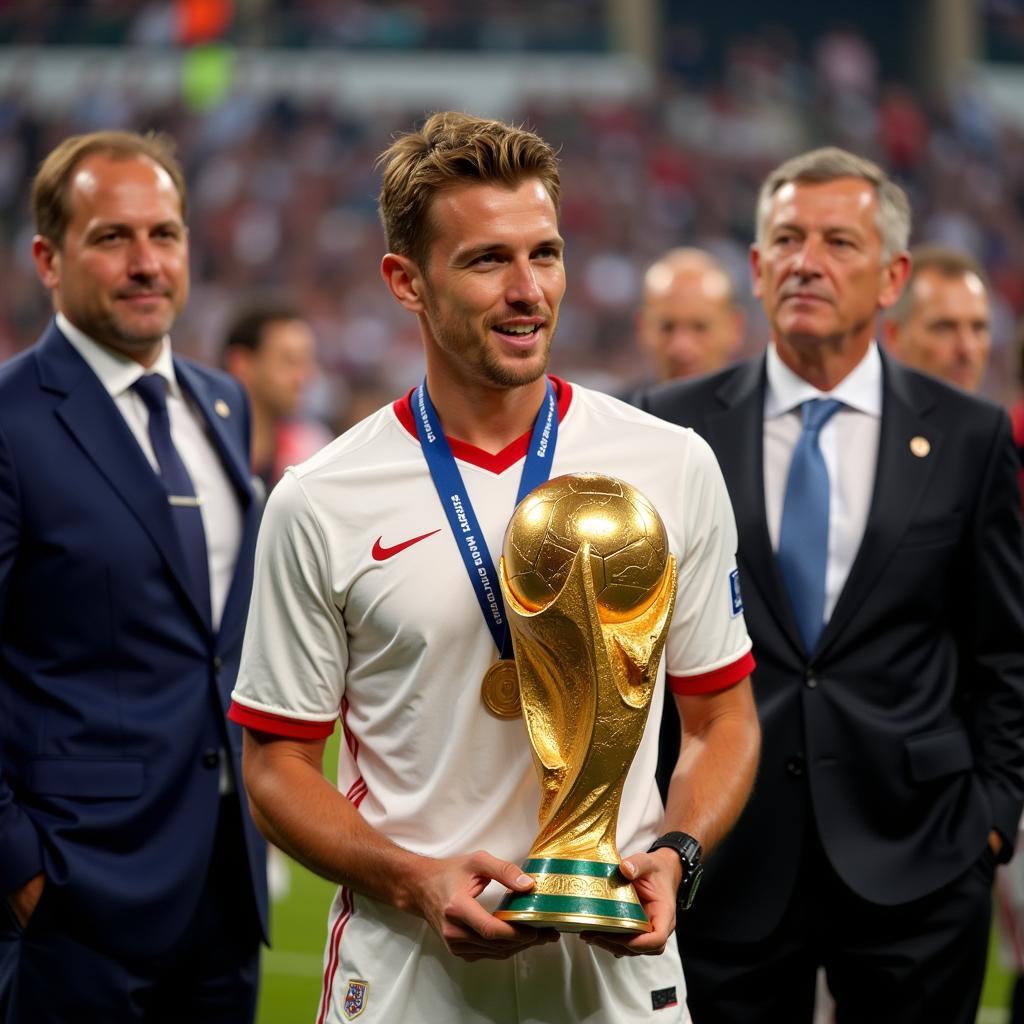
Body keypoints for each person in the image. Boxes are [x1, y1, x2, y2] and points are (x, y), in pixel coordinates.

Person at [228, 111, 760, 1024]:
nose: (529, 291)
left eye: (544, 254)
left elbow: (721, 718)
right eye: (486, 261)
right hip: (410, 978)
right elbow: (278, 763)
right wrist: (415, 881)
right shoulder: (320, 498)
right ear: (406, 281)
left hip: (617, 977)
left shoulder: (671, 464)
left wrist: (679, 852)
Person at [638, 147, 1024, 1024]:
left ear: (892, 278)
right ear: (756, 266)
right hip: (724, 860)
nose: (807, 262)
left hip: (922, 855)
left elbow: (1003, 647)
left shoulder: (968, 435)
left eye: (838, 242)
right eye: (787, 239)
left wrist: (991, 819)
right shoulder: (669, 426)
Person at [0, 130, 267, 1022]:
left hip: (228, 884)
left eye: (166, 234)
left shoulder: (221, 403)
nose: (147, 262)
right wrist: (18, 865)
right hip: (77, 895)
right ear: (48, 257)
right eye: (113, 237)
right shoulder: (11, 421)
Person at [221, 300, 332, 494]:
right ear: (241, 364)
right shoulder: (202, 448)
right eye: (289, 361)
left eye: (307, 361)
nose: (304, 376)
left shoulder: (313, 451)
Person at [881, 243, 992, 392]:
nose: (967, 348)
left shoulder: (1001, 415)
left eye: (978, 328)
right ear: (894, 335)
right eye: (944, 328)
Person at [636, 247, 745, 382]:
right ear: (642, 327)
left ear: (734, 327)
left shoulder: (766, 402)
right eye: (667, 327)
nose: (682, 347)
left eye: (700, 327)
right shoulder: (613, 403)